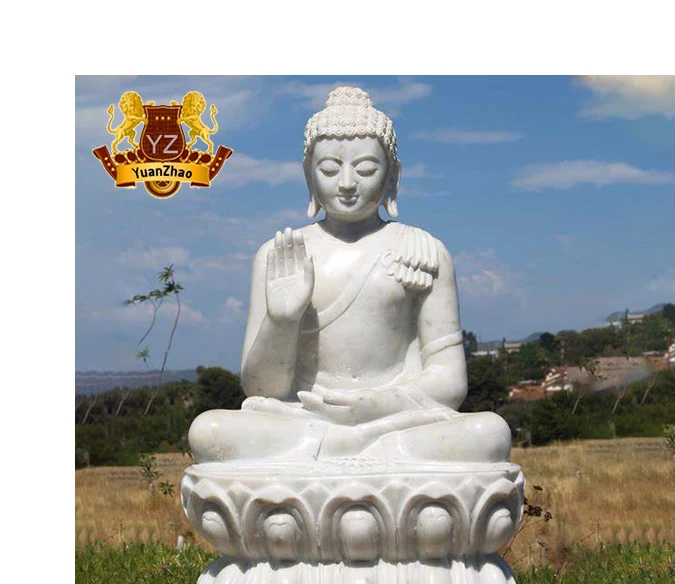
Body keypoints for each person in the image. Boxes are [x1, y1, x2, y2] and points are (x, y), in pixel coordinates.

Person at [189, 87, 511, 464]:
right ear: (309, 176)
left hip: (392, 420)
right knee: (209, 431)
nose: (346, 183)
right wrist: (281, 320)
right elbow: (263, 389)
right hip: (304, 417)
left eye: (366, 169)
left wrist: (375, 406)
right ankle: (357, 451)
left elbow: (450, 381)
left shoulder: (422, 251)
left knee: (488, 432)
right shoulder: (280, 255)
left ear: (392, 176)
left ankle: (346, 448)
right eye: (329, 169)